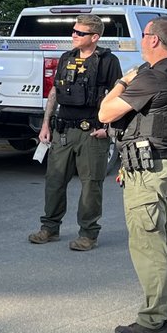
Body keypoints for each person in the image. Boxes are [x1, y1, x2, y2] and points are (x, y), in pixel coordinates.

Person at [98, 17, 167, 333]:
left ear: (154, 40)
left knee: (149, 246)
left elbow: (105, 112)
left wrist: (123, 81)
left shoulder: (152, 77)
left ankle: (154, 321)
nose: (142, 40)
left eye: (144, 35)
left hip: (150, 173)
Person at [27, 13, 121, 252]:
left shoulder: (108, 61)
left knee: (91, 185)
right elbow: (54, 92)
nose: (74, 35)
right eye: (74, 31)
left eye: (80, 32)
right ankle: (49, 228)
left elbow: (118, 96)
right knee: (54, 181)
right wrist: (46, 124)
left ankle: (88, 234)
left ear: (95, 37)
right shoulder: (66, 58)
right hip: (63, 131)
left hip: (92, 133)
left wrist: (108, 129)